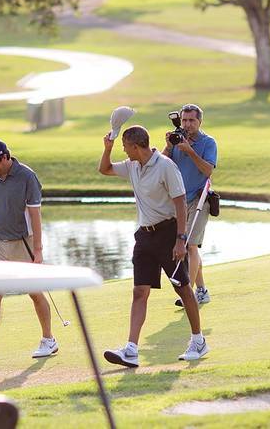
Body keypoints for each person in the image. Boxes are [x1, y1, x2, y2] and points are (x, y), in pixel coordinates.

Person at [99, 125, 208, 368]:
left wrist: (181, 240)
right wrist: (107, 149)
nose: (124, 151)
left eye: (125, 147)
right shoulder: (133, 166)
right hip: (144, 237)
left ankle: (198, 341)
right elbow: (104, 169)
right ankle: (131, 349)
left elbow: (180, 203)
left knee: (182, 287)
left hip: (169, 234)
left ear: (136, 146)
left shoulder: (165, 166)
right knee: (140, 291)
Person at [0, 139, 58, 367]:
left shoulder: (27, 176)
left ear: (5, 157)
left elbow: (35, 214)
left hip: (22, 242)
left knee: (34, 293)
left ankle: (49, 339)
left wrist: (38, 250)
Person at [161, 104, 217, 307]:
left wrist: (190, 151)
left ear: (200, 122)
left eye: (192, 120)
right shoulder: (176, 140)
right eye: (184, 120)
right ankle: (202, 290)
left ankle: (189, 294)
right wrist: (169, 146)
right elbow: (160, 166)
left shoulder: (208, 142)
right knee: (187, 246)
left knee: (190, 245)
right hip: (178, 201)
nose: (187, 124)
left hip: (199, 199)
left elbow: (208, 170)